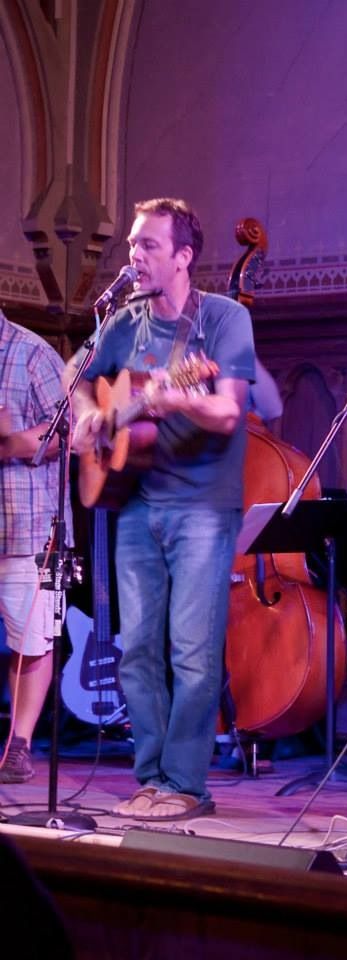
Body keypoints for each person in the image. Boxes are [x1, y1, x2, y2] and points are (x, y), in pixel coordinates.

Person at [71, 197, 256, 819]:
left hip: (202, 506)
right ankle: (150, 777)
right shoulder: (124, 321)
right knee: (138, 650)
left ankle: (186, 785)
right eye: (131, 244)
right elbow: (75, 376)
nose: (134, 256)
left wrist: (179, 401)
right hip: (135, 502)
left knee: (193, 651)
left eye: (148, 245)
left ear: (183, 257)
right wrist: (90, 416)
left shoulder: (224, 319)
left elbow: (228, 411)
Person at [0, 309, 72, 783]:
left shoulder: (31, 354)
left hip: (25, 527)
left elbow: (72, 431)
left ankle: (19, 743)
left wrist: (9, 443)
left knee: (30, 641)